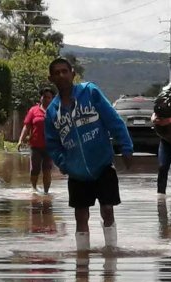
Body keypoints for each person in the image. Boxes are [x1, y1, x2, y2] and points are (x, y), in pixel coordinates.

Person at [44, 57, 133, 251]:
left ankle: (111, 255)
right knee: (80, 215)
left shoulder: (90, 92)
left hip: (102, 164)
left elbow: (114, 120)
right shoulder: (52, 112)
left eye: (64, 71)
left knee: (108, 209)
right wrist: (64, 164)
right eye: (57, 73)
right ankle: (82, 261)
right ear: (51, 78)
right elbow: (52, 144)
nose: (61, 75)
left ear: (72, 73)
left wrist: (126, 147)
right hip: (76, 172)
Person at [18, 87, 55, 194]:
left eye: (49, 97)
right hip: (36, 146)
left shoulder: (56, 111)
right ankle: (34, 189)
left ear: (52, 99)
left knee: (47, 169)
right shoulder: (33, 110)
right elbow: (27, 126)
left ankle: (46, 193)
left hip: (50, 146)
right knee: (35, 169)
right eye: (44, 97)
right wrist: (21, 140)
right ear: (41, 98)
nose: (47, 99)